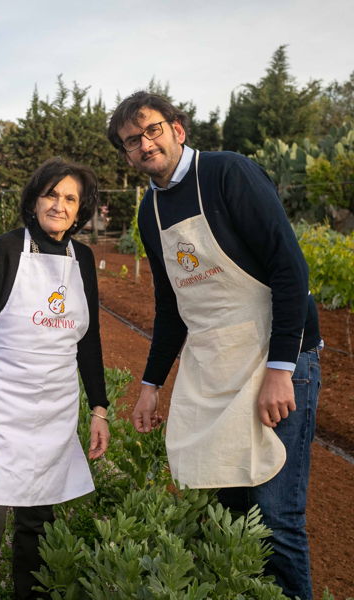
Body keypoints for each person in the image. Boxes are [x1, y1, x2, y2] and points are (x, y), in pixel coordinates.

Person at [106, 91, 322, 599]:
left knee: (275, 516)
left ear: (178, 128)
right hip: (218, 369)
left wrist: (280, 369)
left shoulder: (229, 174)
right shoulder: (150, 211)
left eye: (151, 130)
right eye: (131, 141)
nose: (144, 145)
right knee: (230, 514)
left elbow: (291, 272)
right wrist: (150, 384)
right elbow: (171, 305)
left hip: (277, 362)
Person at [0, 157, 110, 600]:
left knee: (39, 520)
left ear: (80, 209)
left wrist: (99, 408)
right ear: (34, 202)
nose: (59, 205)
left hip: (53, 408)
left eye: (70, 198)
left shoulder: (82, 259)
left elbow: (88, 342)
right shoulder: (5, 250)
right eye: (51, 195)